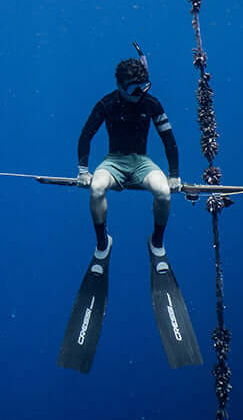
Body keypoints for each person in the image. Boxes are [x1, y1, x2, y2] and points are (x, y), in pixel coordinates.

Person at [76, 57, 182, 270]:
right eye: (134, 89)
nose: (140, 93)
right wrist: (83, 171)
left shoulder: (152, 104)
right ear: (119, 86)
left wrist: (174, 175)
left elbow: (168, 139)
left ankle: (157, 242)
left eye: (144, 87)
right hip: (113, 162)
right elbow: (86, 135)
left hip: (142, 163)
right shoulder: (106, 104)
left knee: (163, 192)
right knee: (96, 188)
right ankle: (102, 243)